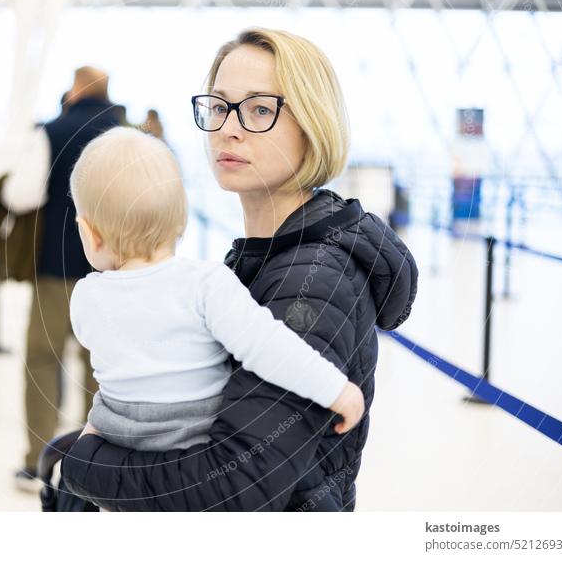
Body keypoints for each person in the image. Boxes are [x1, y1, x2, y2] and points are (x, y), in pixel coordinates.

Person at [60, 28, 418, 511]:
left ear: (312, 125)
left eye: (260, 110)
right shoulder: (256, 256)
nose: (229, 128)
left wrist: (78, 465)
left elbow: (229, 489)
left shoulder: (317, 280)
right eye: (220, 106)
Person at [68, 126, 364, 453]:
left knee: (96, 428)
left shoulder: (86, 297)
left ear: (90, 234)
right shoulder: (206, 283)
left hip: (117, 433)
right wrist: (335, 389)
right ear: (181, 222)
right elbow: (268, 347)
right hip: (196, 436)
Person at [16, 66, 122, 490]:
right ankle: (99, 457)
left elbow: (23, 195)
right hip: (115, 269)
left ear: (75, 89)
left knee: (44, 356)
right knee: (103, 364)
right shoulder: (125, 134)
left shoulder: (52, 131)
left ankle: (38, 458)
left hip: (57, 265)